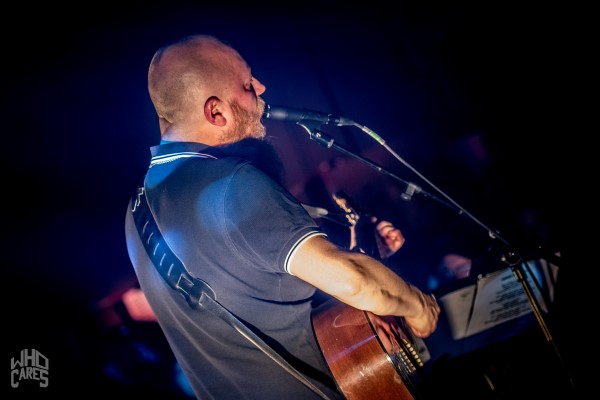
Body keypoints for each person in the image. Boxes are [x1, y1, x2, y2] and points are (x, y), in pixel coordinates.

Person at [124, 34, 440, 400]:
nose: (261, 87)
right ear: (216, 112)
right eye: (246, 84)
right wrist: (418, 306)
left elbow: (249, 300)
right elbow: (353, 282)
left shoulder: (135, 213)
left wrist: (359, 250)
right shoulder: (231, 183)